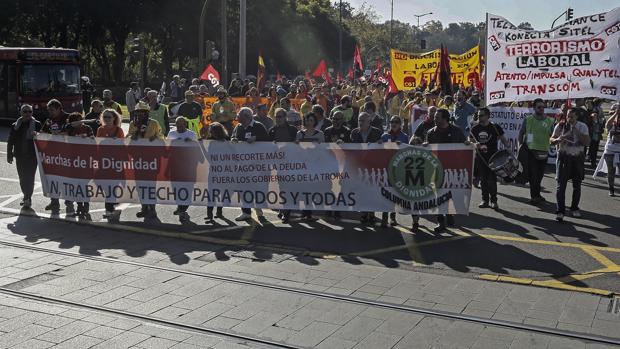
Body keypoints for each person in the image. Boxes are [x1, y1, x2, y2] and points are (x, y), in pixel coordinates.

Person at [425, 108, 468, 233]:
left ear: (445, 118)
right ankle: (440, 221)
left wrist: (470, 145)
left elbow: (464, 144)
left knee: (450, 194)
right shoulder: (431, 133)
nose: (434, 119)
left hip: (452, 169)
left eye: (437, 117)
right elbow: (428, 149)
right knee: (437, 195)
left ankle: (449, 215)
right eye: (434, 117)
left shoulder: (456, 131)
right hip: (436, 169)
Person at [550, 108, 589, 222]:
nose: (569, 119)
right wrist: (558, 139)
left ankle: (574, 208)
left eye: (572, 116)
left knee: (577, 186)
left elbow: (587, 142)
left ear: (577, 117)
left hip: (577, 158)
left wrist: (576, 131)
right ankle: (560, 211)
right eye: (568, 116)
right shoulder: (561, 126)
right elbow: (551, 139)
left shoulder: (583, 126)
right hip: (563, 158)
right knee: (560, 186)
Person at [231, 107, 269, 221]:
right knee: (243, 187)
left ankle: (259, 208)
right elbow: (233, 136)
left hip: (257, 165)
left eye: (239, 115)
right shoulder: (238, 127)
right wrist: (233, 139)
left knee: (258, 187)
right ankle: (246, 211)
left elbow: (267, 140)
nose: (237, 117)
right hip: (242, 164)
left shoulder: (258, 126)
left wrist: (256, 138)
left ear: (246, 117)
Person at [127, 101, 164, 219]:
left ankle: (152, 209)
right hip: (138, 160)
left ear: (147, 113)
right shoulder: (133, 124)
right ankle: (144, 207)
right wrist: (133, 135)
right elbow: (128, 139)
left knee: (151, 185)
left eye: (143, 112)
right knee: (140, 185)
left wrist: (155, 138)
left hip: (152, 160)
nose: (140, 114)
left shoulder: (154, 123)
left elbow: (162, 138)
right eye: (138, 112)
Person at [469, 107, 509, 210]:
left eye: (481, 115)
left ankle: (494, 201)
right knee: (483, 179)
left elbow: (504, 141)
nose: (479, 117)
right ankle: (484, 200)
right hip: (480, 158)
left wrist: (508, 150)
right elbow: (469, 140)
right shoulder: (475, 128)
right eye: (478, 115)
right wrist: (475, 144)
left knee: (492, 179)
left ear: (487, 116)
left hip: (493, 158)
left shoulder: (495, 127)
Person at [518, 98, 555, 205]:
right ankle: (534, 197)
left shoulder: (549, 121)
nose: (542, 109)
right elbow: (521, 133)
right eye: (539, 107)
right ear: (534, 108)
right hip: (530, 151)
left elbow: (553, 135)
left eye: (543, 107)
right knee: (533, 176)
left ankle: (537, 195)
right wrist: (521, 146)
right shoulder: (528, 119)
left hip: (544, 152)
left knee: (539, 176)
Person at [350, 112, 383, 224]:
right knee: (361, 190)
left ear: (369, 122)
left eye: (363, 120)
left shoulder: (377, 132)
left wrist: (380, 143)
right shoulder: (354, 132)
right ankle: (363, 212)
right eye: (359, 120)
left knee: (372, 190)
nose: (361, 122)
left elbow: (383, 147)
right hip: (358, 166)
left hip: (372, 166)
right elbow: (350, 147)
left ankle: (372, 213)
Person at [7, 104, 41, 209]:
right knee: (22, 178)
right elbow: (10, 140)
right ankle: (26, 196)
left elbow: (44, 138)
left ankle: (27, 198)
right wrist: (9, 154)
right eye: (25, 111)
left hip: (32, 157)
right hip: (20, 156)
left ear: (32, 113)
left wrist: (37, 135)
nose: (27, 114)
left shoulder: (37, 124)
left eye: (30, 112)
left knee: (30, 178)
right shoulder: (15, 125)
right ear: (21, 113)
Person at [41, 99, 72, 215]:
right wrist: (37, 135)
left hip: (66, 154)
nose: (50, 112)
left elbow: (73, 131)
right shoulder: (49, 120)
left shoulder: (69, 118)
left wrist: (62, 134)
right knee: (52, 178)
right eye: (49, 110)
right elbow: (42, 132)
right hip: (53, 155)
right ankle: (54, 201)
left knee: (67, 179)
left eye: (52, 110)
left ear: (59, 108)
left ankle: (69, 201)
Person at [268, 108, 298, 223]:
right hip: (278, 164)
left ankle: (286, 212)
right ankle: (283, 208)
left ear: (285, 117)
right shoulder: (272, 130)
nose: (278, 119)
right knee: (281, 187)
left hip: (291, 164)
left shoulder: (292, 130)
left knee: (288, 188)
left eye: (280, 117)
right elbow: (266, 146)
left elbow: (299, 144)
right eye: (276, 117)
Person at [62, 112, 94, 218]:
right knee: (77, 185)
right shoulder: (70, 130)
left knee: (85, 185)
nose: (80, 123)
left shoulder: (88, 128)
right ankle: (79, 205)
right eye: (77, 121)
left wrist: (87, 139)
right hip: (74, 161)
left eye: (81, 120)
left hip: (86, 161)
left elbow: (93, 141)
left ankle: (86, 205)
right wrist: (70, 126)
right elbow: (63, 134)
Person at [295, 112, 325, 221]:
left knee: (312, 189)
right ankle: (304, 211)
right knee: (303, 189)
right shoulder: (299, 134)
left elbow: (323, 149)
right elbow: (296, 150)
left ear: (314, 122)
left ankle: (310, 211)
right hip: (303, 166)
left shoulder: (320, 134)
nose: (309, 122)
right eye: (307, 120)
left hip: (315, 165)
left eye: (311, 120)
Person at [380, 115, 409, 227]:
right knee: (385, 193)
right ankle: (384, 216)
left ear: (400, 124)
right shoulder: (384, 135)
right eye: (392, 121)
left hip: (398, 169)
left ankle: (393, 217)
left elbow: (408, 150)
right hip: (386, 168)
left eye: (396, 121)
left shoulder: (404, 136)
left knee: (394, 194)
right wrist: (378, 143)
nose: (393, 123)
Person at [96, 109, 125, 221]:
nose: (107, 119)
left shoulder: (119, 130)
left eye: (109, 117)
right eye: (105, 117)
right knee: (104, 185)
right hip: (103, 162)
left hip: (115, 162)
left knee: (112, 186)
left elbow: (122, 146)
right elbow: (98, 144)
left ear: (114, 118)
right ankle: (111, 205)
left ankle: (109, 209)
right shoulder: (100, 129)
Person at [167, 117, 198, 222]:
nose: (179, 127)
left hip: (188, 167)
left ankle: (182, 209)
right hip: (174, 167)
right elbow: (167, 150)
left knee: (187, 190)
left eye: (181, 124)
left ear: (185, 124)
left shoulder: (192, 135)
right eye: (177, 124)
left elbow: (198, 151)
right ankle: (180, 207)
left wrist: (192, 143)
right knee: (175, 189)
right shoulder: (171, 134)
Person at [205, 122, 229, 221]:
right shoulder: (227, 142)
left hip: (216, 171)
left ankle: (211, 215)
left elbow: (209, 159)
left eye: (211, 131)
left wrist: (202, 148)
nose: (210, 133)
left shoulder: (213, 144)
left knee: (212, 193)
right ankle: (217, 213)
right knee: (219, 193)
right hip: (222, 171)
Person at [597, 103, 620, 196]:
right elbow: (607, 125)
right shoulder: (611, 121)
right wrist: (616, 113)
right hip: (610, 149)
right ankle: (611, 188)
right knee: (611, 171)